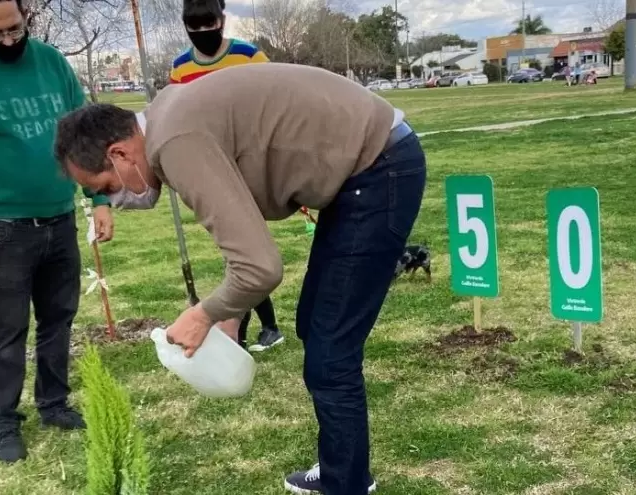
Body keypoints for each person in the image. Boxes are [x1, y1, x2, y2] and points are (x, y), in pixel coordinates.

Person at [54, 62, 426, 495]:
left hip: (377, 168)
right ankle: (341, 469)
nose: (115, 200)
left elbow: (261, 267)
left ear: (119, 153)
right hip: (367, 166)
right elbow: (243, 245)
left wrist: (203, 315)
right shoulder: (167, 121)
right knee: (314, 323)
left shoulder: (176, 143)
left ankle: (347, 484)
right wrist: (229, 315)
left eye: (106, 186)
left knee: (330, 350)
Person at [0, 0, 114, 463]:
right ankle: (6, 420)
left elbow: (85, 134)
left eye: (14, 29)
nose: (8, 41)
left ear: (27, 14)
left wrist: (98, 200)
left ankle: (53, 403)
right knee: (8, 328)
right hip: (3, 228)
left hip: (59, 217)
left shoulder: (52, 63)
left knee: (59, 319)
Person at [168, 0, 283, 352]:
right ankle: (260, 329)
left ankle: (253, 329)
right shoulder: (180, 67)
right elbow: (175, 113)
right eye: (194, 28)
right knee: (239, 255)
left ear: (222, 20)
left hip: (245, 167)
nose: (203, 33)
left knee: (243, 255)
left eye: (209, 25)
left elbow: (272, 101)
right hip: (211, 168)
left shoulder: (248, 56)